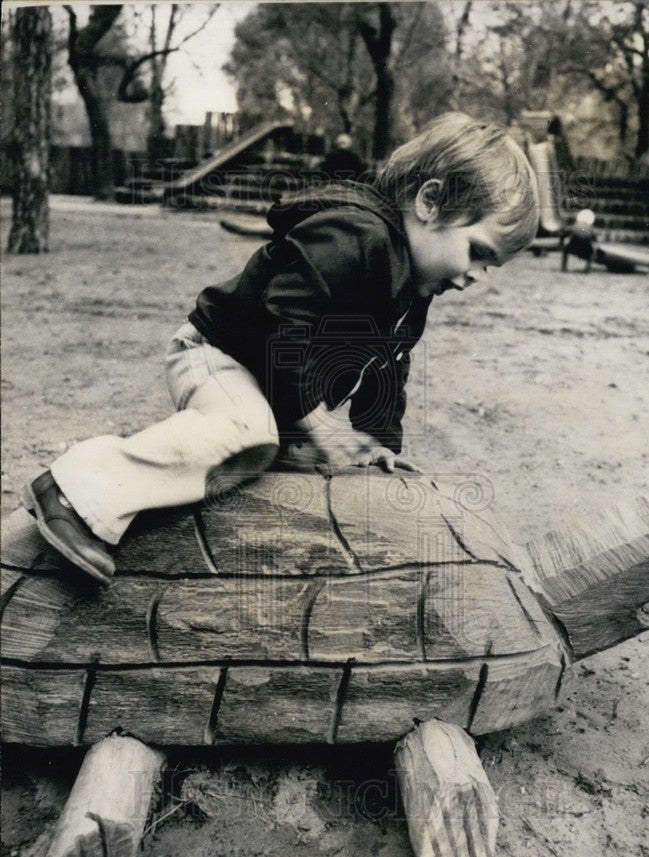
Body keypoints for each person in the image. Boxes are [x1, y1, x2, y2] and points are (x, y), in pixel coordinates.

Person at [23, 113, 539, 584]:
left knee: (301, 465)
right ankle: (76, 490)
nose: (476, 277)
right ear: (429, 201)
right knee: (246, 431)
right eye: (478, 252)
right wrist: (312, 420)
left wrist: (377, 440)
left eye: (491, 267)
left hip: (267, 382)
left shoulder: (412, 286)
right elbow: (282, 317)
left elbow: (389, 366)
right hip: (218, 354)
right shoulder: (357, 235)